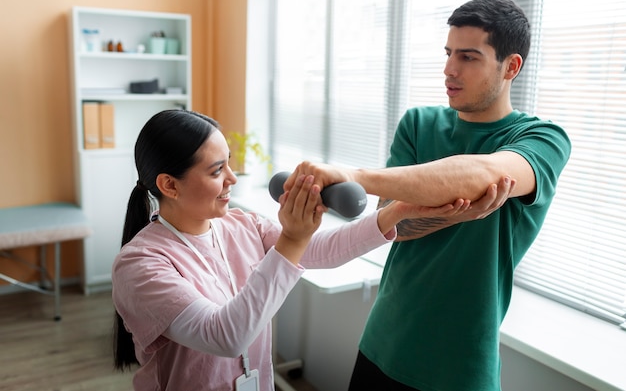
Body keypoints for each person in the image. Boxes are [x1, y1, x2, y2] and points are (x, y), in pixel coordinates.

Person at [284, 0, 571, 391]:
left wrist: (354, 175)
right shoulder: (419, 123)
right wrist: (453, 214)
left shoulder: (542, 139)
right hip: (383, 343)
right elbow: (393, 227)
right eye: (449, 53)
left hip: (460, 370)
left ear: (511, 66)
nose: (449, 70)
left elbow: (482, 173)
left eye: (468, 57)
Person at [111, 109, 502, 391]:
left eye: (229, 163)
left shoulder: (240, 224)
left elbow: (319, 251)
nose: (232, 177)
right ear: (170, 184)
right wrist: (292, 238)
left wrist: (400, 210)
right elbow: (226, 336)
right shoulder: (139, 266)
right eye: (216, 171)